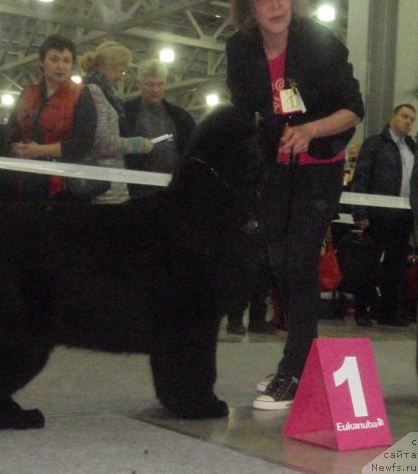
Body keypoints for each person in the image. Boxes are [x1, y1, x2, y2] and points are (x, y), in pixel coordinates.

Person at [226, 0, 364, 410]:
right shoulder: (240, 48)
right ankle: (303, 360)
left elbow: (355, 109)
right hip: (274, 166)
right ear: (248, 8)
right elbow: (242, 110)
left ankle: (294, 368)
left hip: (320, 164)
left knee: (300, 259)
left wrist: (309, 130)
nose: (275, 5)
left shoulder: (320, 42)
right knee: (279, 260)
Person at [7, 34, 97, 202]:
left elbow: (84, 143)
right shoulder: (27, 92)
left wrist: (39, 150)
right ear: (42, 61)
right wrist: (14, 146)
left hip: (65, 186)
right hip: (25, 179)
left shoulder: (82, 95)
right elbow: (12, 129)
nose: (60, 66)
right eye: (54, 59)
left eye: (66, 61)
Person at [350, 104, 417, 327]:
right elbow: (361, 177)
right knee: (369, 263)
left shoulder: (412, 147)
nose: (408, 122)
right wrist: (360, 211)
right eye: (404, 116)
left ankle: (389, 313)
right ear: (393, 117)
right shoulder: (375, 143)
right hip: (378, 213)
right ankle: (362, 310)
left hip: (404, 215)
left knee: (396, 265)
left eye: (412, 119)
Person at [79, 41, 153, 203]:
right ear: (111, 66)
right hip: (105, 185)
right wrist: (138, 144)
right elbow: (101, 143)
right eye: (121, 70)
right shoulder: (96, 92)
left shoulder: (100, 91)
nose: (121, 76)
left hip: (109, 180)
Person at [123, 59, 195, 199]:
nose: (155, 90)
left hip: (173, 191)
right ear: (139, 84)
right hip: (136, 192)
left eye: (159, 84)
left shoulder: (181, 117)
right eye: (149, 84)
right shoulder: (124, 114)